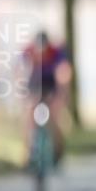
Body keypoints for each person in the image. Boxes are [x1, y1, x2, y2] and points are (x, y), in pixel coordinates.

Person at [21, 31, 72, 164]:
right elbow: (20, 72)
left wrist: (61, 96)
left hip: (51, 84)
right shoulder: (29, 51)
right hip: (34, 83)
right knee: (30, 116)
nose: (41, 54)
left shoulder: (56, 53)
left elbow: (63, 74)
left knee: (54, 116)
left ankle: (58, 149)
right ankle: (29, 153)